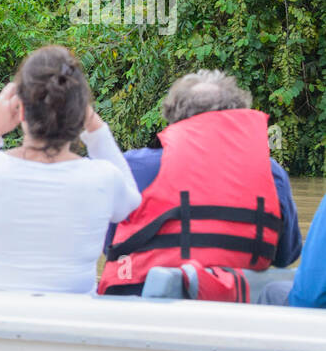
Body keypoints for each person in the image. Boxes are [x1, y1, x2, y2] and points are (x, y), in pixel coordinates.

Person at [0, 45, 141, 293]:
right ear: (80, 114)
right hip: (71, 327)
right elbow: (131, 203)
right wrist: (97, 130)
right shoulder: (103, 178)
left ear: (22, 110)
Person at [99, 70, 301, 297]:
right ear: (236, 113)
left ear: (173, 116)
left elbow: (110, 247)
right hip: (236, 307)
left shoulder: (134, 166)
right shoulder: (272, 173)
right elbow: (287, 255)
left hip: (147, 304)